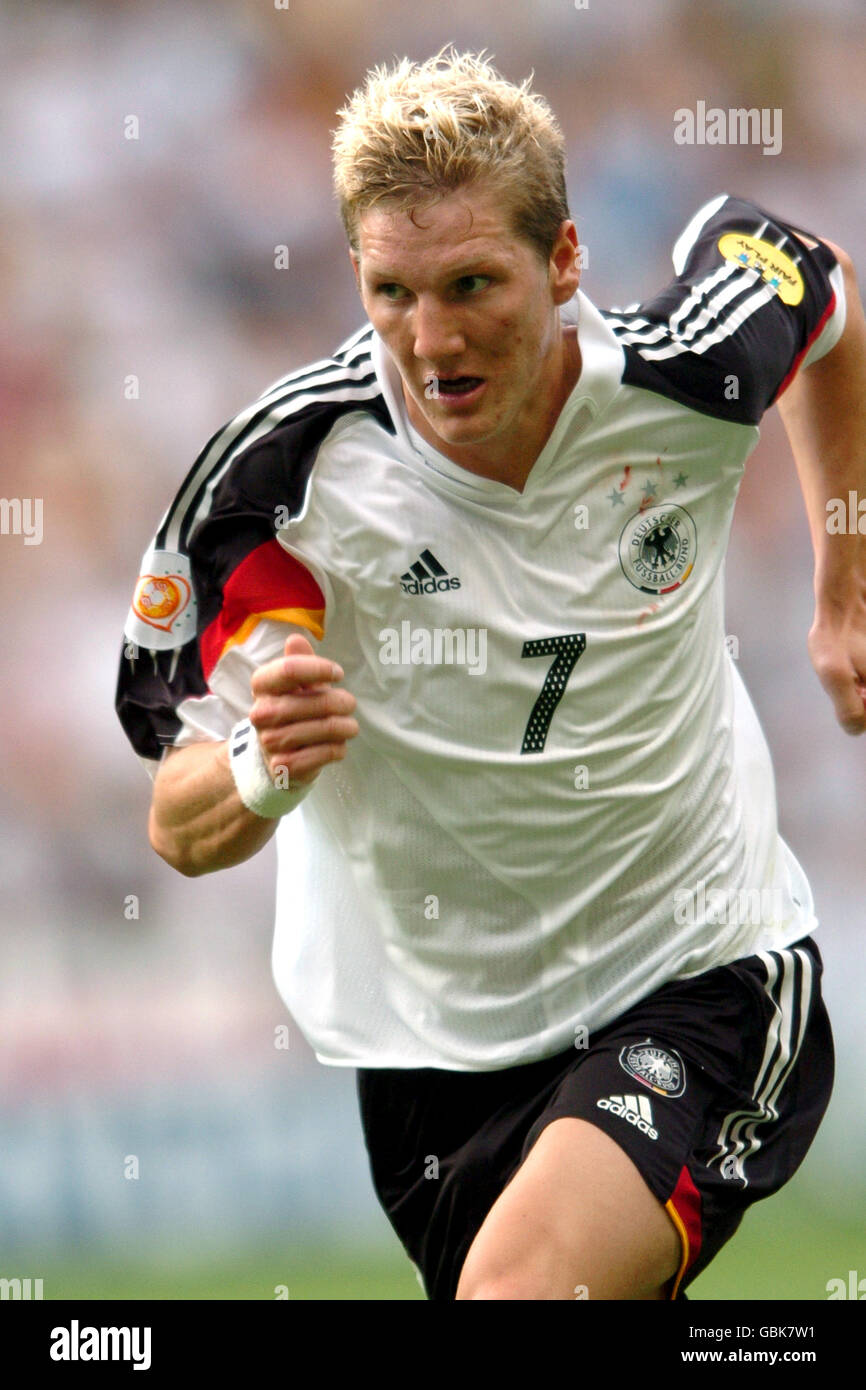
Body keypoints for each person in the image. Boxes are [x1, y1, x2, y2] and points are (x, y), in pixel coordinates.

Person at [115, 49, 865, 1301]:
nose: (431, 339)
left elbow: (821, 286)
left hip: (696, 976)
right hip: (429, 1065)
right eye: (390, 292)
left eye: (472, 284)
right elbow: (176, 827)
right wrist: (260, 766)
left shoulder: (689, 375)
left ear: (563, 260)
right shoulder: (285, 485)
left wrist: (843, 581)